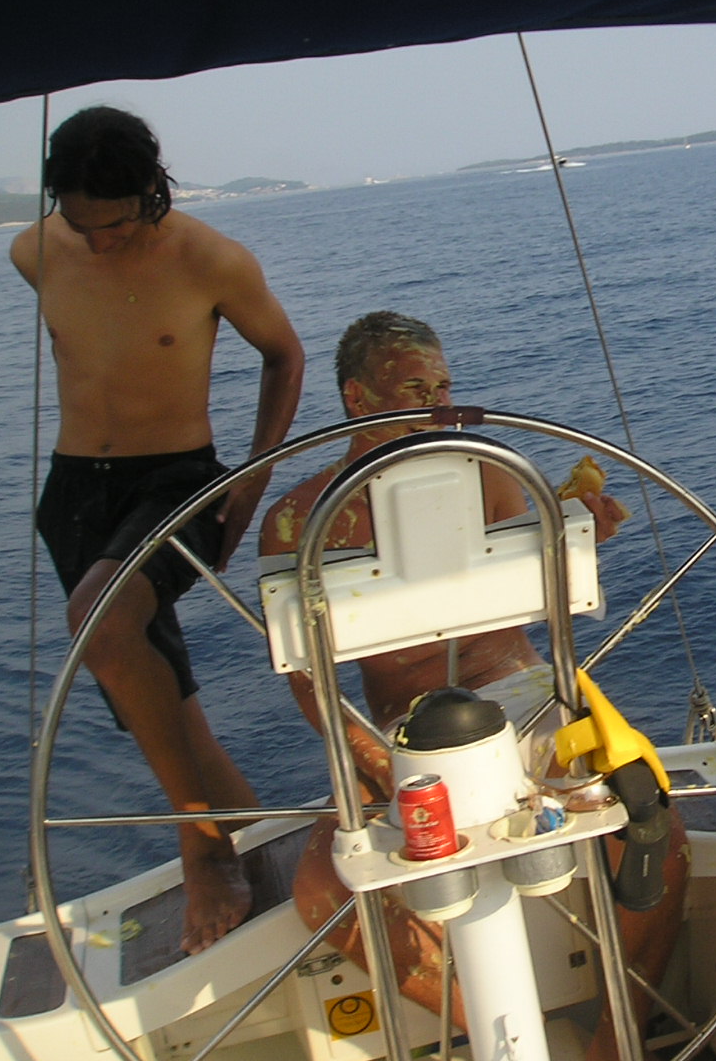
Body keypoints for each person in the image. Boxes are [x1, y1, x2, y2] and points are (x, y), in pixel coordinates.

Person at [259, 310, 681, 1061]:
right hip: (398, 728)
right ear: (356, 397)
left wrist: (579, 533)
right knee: (324, 893)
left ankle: (614, 1045)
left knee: (657, 831)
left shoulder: (491, 475)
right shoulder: (297, 521)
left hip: (518, 694)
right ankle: (500, 1035)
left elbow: (543, 595)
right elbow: (307, 682)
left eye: (444, 387)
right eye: (415, 389)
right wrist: (375, 760)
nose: (439, 405)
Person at [12, 105, 305, 955]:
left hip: (177, 481)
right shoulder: (33, 251)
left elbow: (283, 354)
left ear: (151, 190)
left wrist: (253, 474)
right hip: (75, 494)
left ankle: (203, 846)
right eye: (81, 225)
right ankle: (257, 845)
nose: (99, 243)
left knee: (101, 623)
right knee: (163, 703)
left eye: (115, 224)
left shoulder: (211, 259)